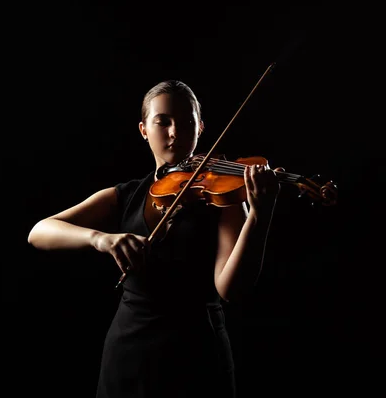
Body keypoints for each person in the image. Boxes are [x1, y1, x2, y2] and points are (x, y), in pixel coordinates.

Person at [27, 79, 282, 398]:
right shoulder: (126, 195)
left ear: (201, 128)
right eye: (163, 121)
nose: (175, 132)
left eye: (187, 122)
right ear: (144, 129)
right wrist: (100, 239)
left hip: (197, 355)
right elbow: (39, 232)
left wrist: (259, 215)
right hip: (128, 352)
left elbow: (231, 288)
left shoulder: (224, 198)